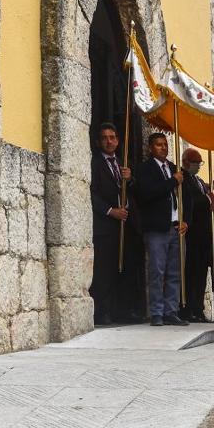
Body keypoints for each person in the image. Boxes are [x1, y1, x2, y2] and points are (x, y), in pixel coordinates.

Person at [135, 132, 189, 327]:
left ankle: (171, 310)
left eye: (165, 144)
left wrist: (186, 220)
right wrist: (172, 181)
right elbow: (147, 193)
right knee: (157, 271)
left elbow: (187, 196)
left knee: (174, 271)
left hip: (175, 226)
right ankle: (157, 311)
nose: (163, 148)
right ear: (151, 148)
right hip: (157, 227)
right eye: (158, 145)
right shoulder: (145, 169)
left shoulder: (175, 169)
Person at [89, 123, 137, 326]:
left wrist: (130, 179)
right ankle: (103, 312)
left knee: (125, 268)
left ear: (118, 140)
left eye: (112, 137)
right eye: (105, 137)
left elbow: (132, 192)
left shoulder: (122, 163)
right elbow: (91, 191)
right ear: (99, 141)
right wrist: (111, 211)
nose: (109, 141)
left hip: (124, 225)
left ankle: (123, 310)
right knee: (105, 270)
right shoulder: (94, 162)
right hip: (106, 224)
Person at [180, 148, 214, 323]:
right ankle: (188, 308)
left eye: (200, 163)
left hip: (204, 234)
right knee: (191, 272)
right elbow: (193, 200)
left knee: (201, 272)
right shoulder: (183, 179)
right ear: (186, 162)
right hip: (192, 234)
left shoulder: (199, 180)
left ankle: (198, 307)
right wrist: (209, 199)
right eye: (196, 163)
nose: (198, 166)